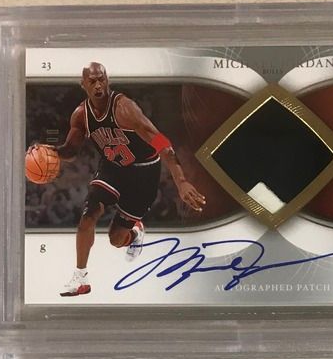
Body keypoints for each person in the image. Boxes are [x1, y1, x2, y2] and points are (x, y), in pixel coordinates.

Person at [32, 62, 206, 296]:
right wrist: (51, 152)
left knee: (116, 239)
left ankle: (135, 233)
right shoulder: (81, 115)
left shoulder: (125, 109)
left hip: (143, 172)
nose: (98, 85)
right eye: (92, 81)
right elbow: (71, 150)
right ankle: (80, 279)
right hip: (112, 168)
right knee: (88, 217)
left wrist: (181, 181)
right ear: (83, 85)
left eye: (101, 79)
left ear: (108, 80)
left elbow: (161, 143)